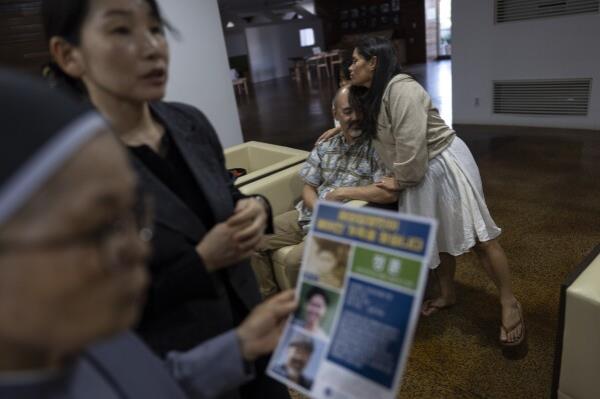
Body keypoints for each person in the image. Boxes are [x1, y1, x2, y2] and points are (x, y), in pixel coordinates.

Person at [41, 1, 292, 397]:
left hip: (259, 343)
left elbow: (227, 193)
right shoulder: (69, 173)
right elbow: (95, 313)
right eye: (121, 30)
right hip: (176, 366)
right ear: (68, 55)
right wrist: (201, 262)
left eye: (156, 29)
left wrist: (256, 209)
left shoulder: (188, 121)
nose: (151, 46)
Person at [320, 37, 524, 347]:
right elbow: (370, 121)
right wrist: (340, 127)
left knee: (482, 239)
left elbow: (414, 155)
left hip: (442, 163)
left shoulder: (404, 90)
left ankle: (509, 302)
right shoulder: (375, 92)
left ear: (373, 62)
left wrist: (399, 182)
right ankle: (447, 293)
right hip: (415, 171)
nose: (350, 66)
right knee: (436, 238)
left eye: (355, 60)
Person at [251, 85, 398, 297]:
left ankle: (303, 316)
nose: (354, 117)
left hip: (344, 220)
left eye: (359, 110)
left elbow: (388, 193)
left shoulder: (376, 147)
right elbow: (309, 187)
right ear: (335, 114)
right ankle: (270, 303)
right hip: (309, 212)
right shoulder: (326, 144)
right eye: (347, 112)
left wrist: (343, 192)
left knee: (295, 261)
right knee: (251, 238)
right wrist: (318, 207)